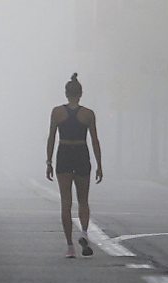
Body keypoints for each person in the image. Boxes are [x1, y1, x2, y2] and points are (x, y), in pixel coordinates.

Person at [46, 73, 103, 258]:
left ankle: (70, 246)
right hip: (81, 154)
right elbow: (94, 140)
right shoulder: (88, 114)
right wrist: (99, 164)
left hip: (63, 154)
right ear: (81, 94)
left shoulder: (57, 112)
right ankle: (84, 233)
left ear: (66, 93)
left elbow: (51, 138)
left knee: (66, 203)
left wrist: (49, 161)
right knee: (83, 200)